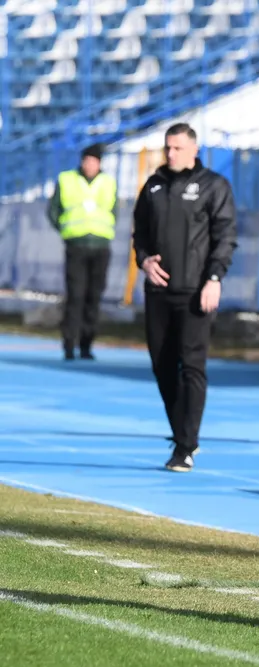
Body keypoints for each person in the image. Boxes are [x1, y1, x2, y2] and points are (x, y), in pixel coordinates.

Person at [132, 123, 238, 472]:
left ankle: (186, 445)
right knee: (162, 366)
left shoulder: (214, 185)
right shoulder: (153, 185)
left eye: (177, 148)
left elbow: (225, 236)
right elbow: (140, 233)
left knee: (192, 365)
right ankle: (183, 434)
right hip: (158, 291)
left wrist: (214, 279)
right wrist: (144, 260)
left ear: (194, 149)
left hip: (196, 292)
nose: (171, 153)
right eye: (168, 147)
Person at [46, 143, 117, 361]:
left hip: (100, 246)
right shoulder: (67, 179)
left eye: (94, 161)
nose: (90, 165)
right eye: (87, 160)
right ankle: (69, 343)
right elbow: (53, 210)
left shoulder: (108, 182)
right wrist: (65, 231)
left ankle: (87, 344)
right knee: (75, 296)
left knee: (93, 297)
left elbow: (114, 211)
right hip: (76, 246)